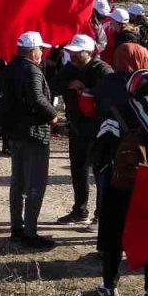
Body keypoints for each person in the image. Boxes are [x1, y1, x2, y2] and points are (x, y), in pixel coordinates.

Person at [93, 67, 148, 296]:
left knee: (113, 234)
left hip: (120, 184)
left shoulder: (117, 112)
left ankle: (110, 287)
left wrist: (105, 173)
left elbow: (101, 149)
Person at [3, 31, 58, 249]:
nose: (43, 53)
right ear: (33, 52)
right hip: (34, 132)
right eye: (40, 49)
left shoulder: (9, 68)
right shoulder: (32, 71)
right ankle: (30, 232)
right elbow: (37, 98)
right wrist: (53, 114)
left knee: (17, 181)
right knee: (35, 182)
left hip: (14, 132)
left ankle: (17, 227)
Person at [52, 34, 111, 223]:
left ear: (89, 52)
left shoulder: (102, 70)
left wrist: (90, 92)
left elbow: (111, 96)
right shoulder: (70, 68)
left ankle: (100, 215)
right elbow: (53, 85)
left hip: (98, 130)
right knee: (78, 170)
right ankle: (79, 209)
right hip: (77, 128)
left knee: (100, 173)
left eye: (78, 53)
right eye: (71, 52)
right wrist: (69, 84)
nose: (73, 56)